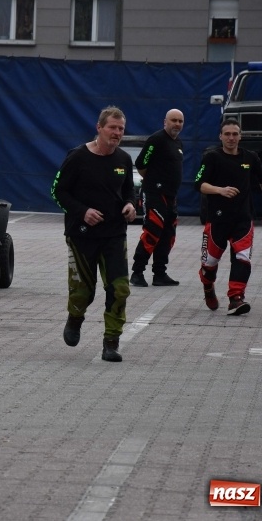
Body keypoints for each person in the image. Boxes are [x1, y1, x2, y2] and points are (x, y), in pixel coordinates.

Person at [50, 106, 136, 362]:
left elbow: (129, 191)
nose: (117, 133)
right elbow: (58, 192)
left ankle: (111, 342)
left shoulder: (123, 159)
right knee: (82, 292)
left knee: (119, 289)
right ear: (99, 128)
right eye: (112, 127)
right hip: (82, 235)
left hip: (114, 235)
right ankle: (75, 318)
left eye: (121, 129)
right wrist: (83, 211)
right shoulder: (77, 157)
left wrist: (131, 205)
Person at [194, 118, 262, 315]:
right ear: (220, 136)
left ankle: (236, 298)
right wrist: (219, 190)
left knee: (242, 257)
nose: (231, 138)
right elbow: (199, 184)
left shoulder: (250, 157)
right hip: (218, 219)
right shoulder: (212, 157)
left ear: (240, 136)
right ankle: (208, 287)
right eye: (227, 134)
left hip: (243, 218)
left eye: (235, 134)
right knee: (209, 263)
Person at [130, 108, 185, 287]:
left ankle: (160, 274)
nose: (177, 124)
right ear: (165, 122)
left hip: (171, 196)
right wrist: (154, 183)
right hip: (155, 194)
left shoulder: (178, 144)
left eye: (180, 121)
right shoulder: (156, 140)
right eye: (173, 120)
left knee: (168, 235)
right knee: (153, 231)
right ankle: (137, 273)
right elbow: (141, 165)